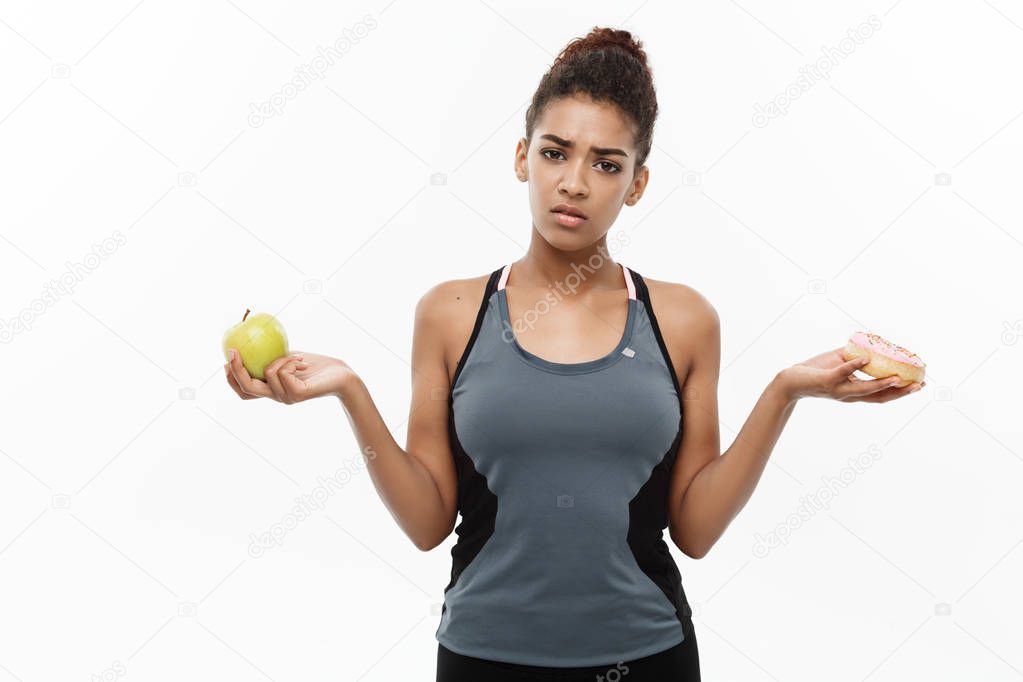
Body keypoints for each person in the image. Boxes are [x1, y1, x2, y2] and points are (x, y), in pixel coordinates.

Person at [224, 26, 924, 682]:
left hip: (647, 654)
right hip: (480, 656)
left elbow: (696, 531)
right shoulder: (450, 313)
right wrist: (350, 392)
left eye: (606, 163)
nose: (574, 183)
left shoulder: (682, 319)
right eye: (555, 152)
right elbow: (427, 522)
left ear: (636, 183)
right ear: (522, 156)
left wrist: (782, 392)